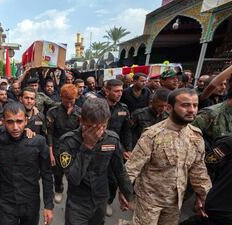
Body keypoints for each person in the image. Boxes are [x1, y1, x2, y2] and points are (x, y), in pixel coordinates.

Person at [125, 88, 212, 225]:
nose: (192, 110)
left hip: (175, 201)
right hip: (149, 200)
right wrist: (124, 191)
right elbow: (132, 167)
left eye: (195, 105)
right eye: (185, 105)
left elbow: (198, 169)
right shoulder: (152, 135)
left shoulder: (195, 136)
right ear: (170, 107)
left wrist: (205, 196)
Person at [59, 98, 133, 225]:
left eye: (102, 127)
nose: (97, 133)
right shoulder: (68, 142)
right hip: (78, 202)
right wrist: (87, 146)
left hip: (101, 198)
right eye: (89, 127)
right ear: (81, 120)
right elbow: (73, 179)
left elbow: (120, 171)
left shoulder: (111, 139)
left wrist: (127, 194)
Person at [101, 79, 132, 215]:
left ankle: (108, 201)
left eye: (121, 90)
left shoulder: (123, 109)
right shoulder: (98, 106)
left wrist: (128, 149)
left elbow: (126, 131)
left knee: (113, 179)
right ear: (107, 91)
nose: (120, 93)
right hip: (98, 147)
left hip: (116, 149)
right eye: (116, 91)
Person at [46, 84, 81, 204]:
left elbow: (82, 133)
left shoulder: (80, 112)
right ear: (61, 97)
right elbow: (49, 133)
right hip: (57, 146)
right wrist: (50, 153)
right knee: (57, 172)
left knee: (74, 173)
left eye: (72, 101)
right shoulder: (53, 112)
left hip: (74, 148)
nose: (70, 104)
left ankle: (74, 193)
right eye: (67, 101)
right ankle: (58, 190)